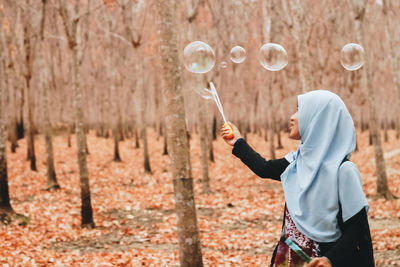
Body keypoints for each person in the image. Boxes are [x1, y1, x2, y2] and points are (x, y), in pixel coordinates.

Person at [221, 90, 375, 267]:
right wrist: (238, 141)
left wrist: (329, 259)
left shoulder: (344, 171)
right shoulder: (297, 162)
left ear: (319, 120)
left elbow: (357, 230)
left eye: (299, 111)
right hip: (289, 257)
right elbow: (264, 168)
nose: (292, 117)